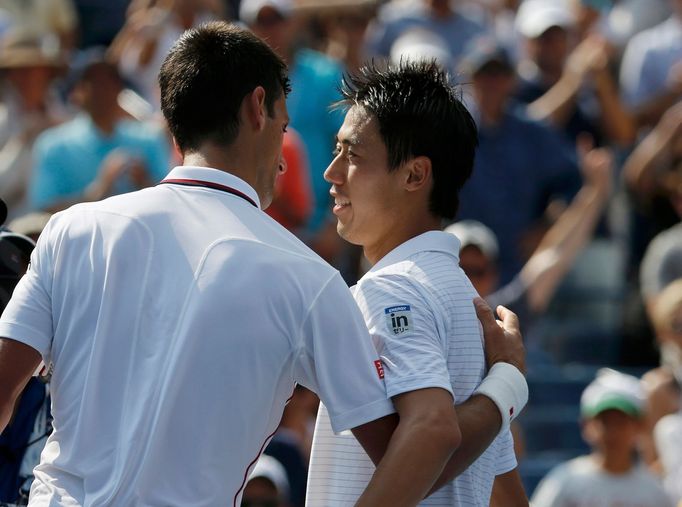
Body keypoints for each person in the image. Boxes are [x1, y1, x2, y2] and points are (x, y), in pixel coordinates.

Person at [0, 22, 524, 507]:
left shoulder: (71, 230)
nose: (308, 164)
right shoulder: (312, 280)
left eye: (351, 154)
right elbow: (418, 458)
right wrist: (505, 387)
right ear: (258, 108)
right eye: (285, 125)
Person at [306, 60, 529, 507]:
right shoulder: (468, 302)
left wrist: (508, 385)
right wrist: (503, 387)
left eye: (353, 155)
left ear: (414, 175)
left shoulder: (393, 289)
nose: (331, 173)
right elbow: (503, 492)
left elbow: (433, 431)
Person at [29, 53, 171, 212]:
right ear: (76, 93)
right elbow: (44, 208)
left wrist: (144, 183)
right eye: (92, 82)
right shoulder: (53, 145)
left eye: (109, 80)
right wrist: (95, 192)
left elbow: (170, 198)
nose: (102, 89)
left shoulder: (148, 139)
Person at [531, 368, 672, 507]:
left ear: (639, 426)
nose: (613, 431)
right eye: (605, 421)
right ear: (586, 425)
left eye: (621, 422)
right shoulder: (563, 481)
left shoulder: (656, 493)